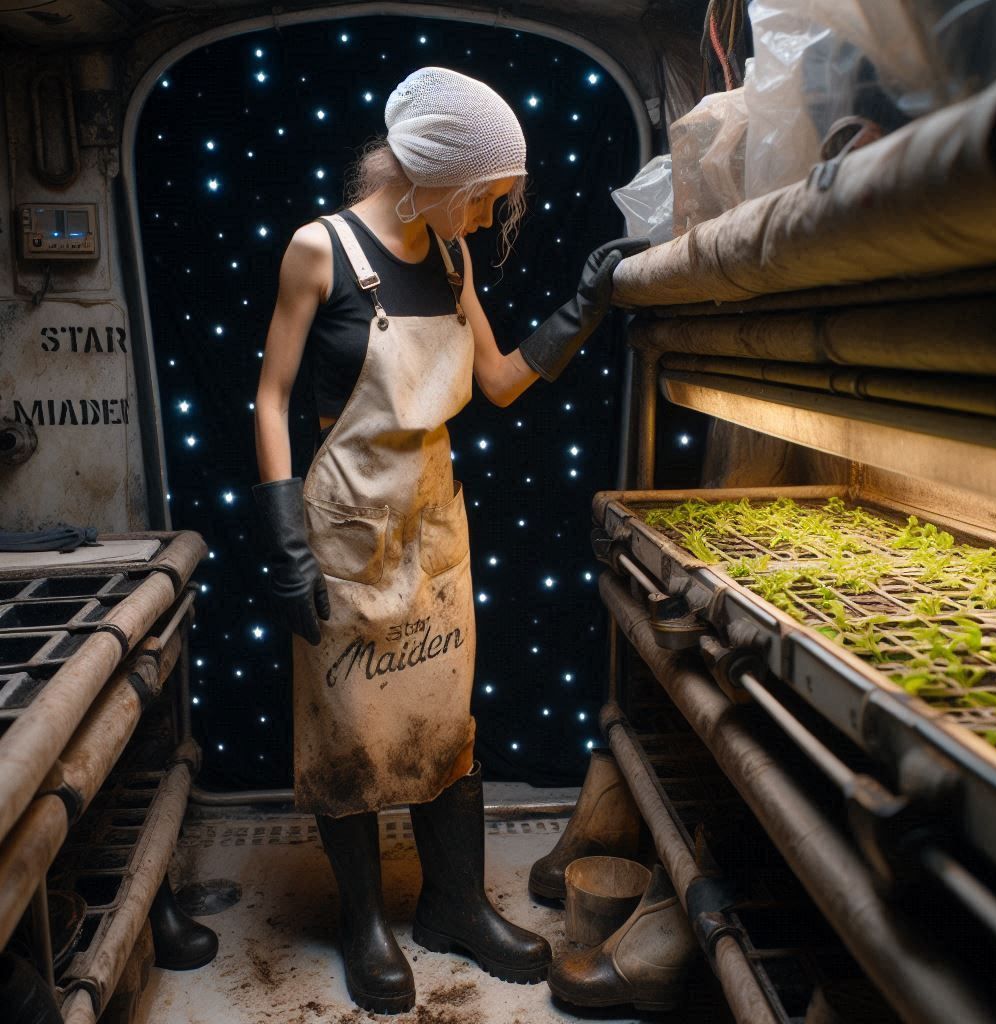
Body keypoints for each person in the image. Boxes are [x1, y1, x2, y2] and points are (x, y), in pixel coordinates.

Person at [252, 66, 648, 1014]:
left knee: (445, 728)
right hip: (344, 529)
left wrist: (581, 310)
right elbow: (270, 395)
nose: (488, 219)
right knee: (348, 736)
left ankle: (455, 905)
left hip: (434, 527)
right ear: (437, 173)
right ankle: (364, 925)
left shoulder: (454, 260)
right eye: (486, 199)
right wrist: (280, 532)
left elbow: (502, 381)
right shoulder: (321, 250)